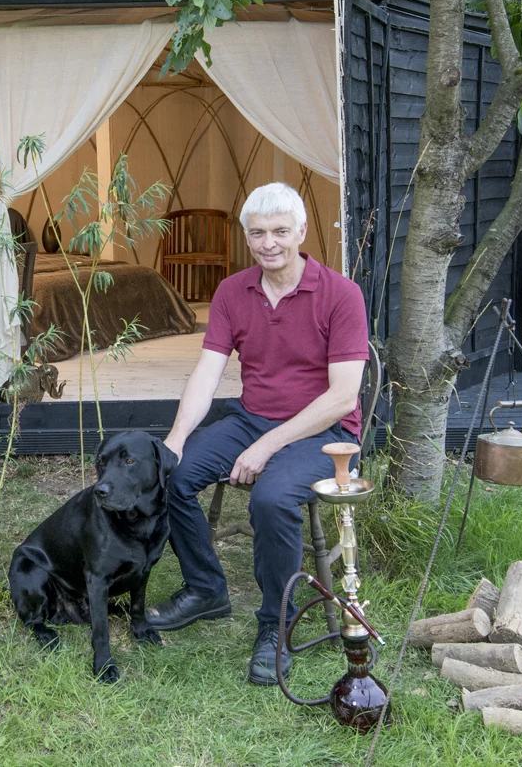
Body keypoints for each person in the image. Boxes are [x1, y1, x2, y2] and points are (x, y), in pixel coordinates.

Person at [148, 182, 368, 685]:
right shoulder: (233, 291)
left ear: (302, 232)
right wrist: (177, 439)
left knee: (269, 500)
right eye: (257, 234)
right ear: (246, 237)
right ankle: (206, 589)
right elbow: (206, 373)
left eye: (280, 232)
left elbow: (342, 397)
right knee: (171, 475)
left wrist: (266, 446)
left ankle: (276, 624)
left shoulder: (340, 294)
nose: (269, 243)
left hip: (325, 432)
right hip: (252, 417)